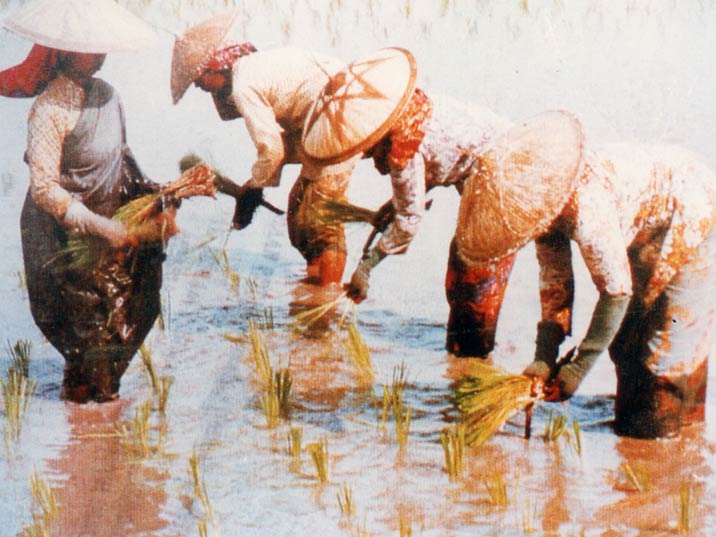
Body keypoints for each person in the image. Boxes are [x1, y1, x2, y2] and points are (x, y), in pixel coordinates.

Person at [301, 48, 578, 357]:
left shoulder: (402, 150)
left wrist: (367, 266)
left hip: (507, 186)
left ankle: (470, 365)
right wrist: (393, 206)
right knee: (461, 278)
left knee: (474, 283)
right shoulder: (414, 110)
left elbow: (409, 223)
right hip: (506, 167)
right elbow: (432, 168)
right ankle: (467, 360)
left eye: (366, 149)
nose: (366, 156)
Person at [0, 0, 169, 403]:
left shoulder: (109, 96)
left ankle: (84, 428)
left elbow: (122, 162)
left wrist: (159, 198)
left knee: (124, 324)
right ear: (64, 49)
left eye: (101, 45)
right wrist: (102, 227)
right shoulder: (50, 107)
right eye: (90, 46)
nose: (100, 52)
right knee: (88, 342)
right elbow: (44, 189)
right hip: (62, 240)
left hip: (110, 234)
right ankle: (93, 435)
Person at [517, 144, 716, 437]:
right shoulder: (542, 211)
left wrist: (578, 368)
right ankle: (641, 442)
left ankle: (676, 446)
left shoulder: (586, 204)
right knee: (627, 346)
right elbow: (555, 286)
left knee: (669, 348)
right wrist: (543, 357)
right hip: (645, 225)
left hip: (692, 210)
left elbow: (616, 293)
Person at [171, 12, 359, 286]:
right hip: (319, 121)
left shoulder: (245, 85)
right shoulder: (248, 70)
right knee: (298, 218)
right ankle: (312, 289)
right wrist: (254, 185)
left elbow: (271, 149)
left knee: (321, 220)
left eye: (199, 78)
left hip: (339, 116)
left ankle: (327, 306)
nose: (199, 86)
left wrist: (254, 189)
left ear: (215, 67)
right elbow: (280, 145)